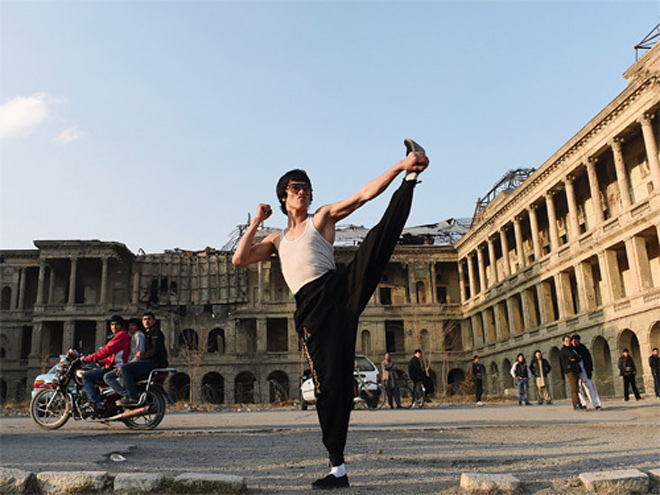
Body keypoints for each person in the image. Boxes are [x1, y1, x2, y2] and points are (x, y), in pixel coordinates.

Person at [232, 143, 429, 489]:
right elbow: (239, 258)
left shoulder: (321, 218)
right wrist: (256, 223)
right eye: (296, 187)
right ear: (283, 197)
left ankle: (411, 180)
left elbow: (363, 196)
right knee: (329, 387)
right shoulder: (276, 240)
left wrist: (400, 167)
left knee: (377, 242)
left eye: (307, 188)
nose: (303, 192)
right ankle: (337, 468)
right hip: (312, 313)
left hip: (338, 291)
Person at [109, 312, 169, 407]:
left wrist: (143, 356)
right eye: (144, 319)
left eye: (149, 319)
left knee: (125, 368)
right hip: (150, 361)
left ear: (154, 321)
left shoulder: (155, 332)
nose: (147, 321)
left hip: (155, 362)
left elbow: (155, 349)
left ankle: (132, 397)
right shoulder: (147, 332)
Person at [81, 315, 130, 415]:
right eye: (112, 324)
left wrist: (89, 358)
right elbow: (112, 355)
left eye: (117, 324)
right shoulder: (118, 336)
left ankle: (95, 404)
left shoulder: (121, 335)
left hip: (116, 368)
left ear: (121, 326)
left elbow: (106, 350)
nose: (114, 327)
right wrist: (101, 362)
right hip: (112, 366)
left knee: (86, 376)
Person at [104, 317, 146, 398]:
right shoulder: (132, 336)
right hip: (131, 363)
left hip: (135, 363)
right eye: (129, 325)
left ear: (137, 326)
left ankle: (127, 396)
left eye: (133, 325)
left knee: (108, 377)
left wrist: (126, 365)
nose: (130, 327)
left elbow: (139, 354)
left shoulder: (138, 335)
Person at [571, 334, 602, 410]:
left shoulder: (583, 348)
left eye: (577, 341)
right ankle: (583, 403)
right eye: (574, 341)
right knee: (578, 387)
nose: (576, 343)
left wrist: (590, 369)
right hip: (575, 371)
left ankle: (596, 403)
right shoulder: (569, 349)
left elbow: (588, 358)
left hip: (584, 369)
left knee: (590, 386)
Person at [559, 335, 584, 411]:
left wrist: (574, 358)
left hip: (575, 369)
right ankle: (576, 404)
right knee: (574, 387)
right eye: (567, 341)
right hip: (570, 370)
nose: (568, 342)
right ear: (563, 342)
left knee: (577, 387)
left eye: (569, 341)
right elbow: (572, 355)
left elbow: (579, 357)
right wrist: (573, 357)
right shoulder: (564, 350)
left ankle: (578, 403)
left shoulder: (572, 349)